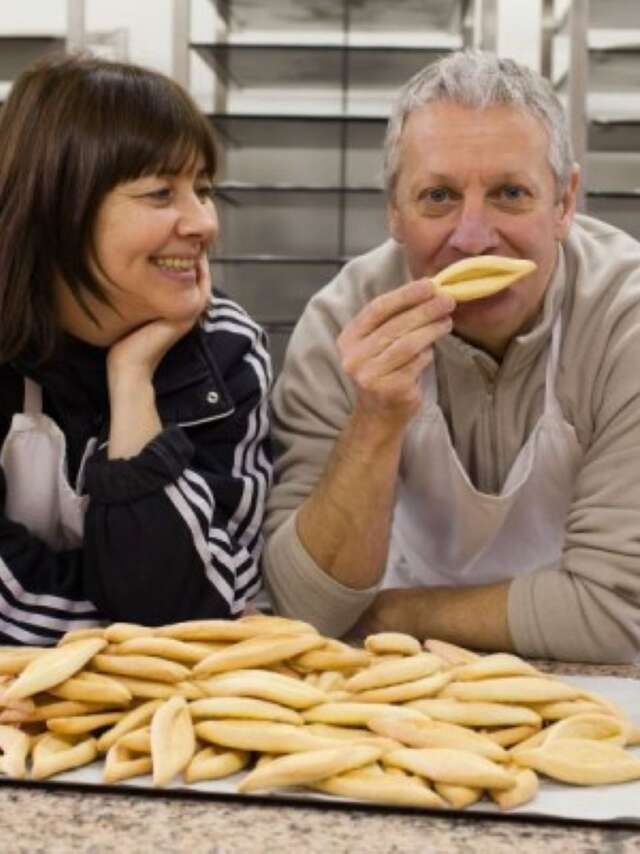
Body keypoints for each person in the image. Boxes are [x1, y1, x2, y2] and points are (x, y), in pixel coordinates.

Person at [263, 49, 640, 663]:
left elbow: (619, 613)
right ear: (393, 212)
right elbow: (300, 609)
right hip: (392, 689)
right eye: (438, 196)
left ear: (566, 203)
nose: (471, 237)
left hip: (595, 693)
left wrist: (384, 614)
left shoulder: (626, 322)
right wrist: (377, 419)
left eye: (510, 193)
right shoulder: (343, 324)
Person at [0, 54, 272, 645]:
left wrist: (132, 380)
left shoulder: (227, 349)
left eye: (202, 189)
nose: (203, 223)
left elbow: (207, 600)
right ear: (59, 208)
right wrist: (128, 628)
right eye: (160, 193)